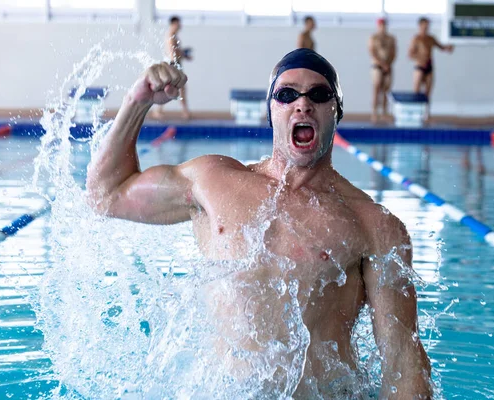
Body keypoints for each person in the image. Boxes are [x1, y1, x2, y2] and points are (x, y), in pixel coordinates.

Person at [86, 48, 431, 398]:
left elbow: (404, 364)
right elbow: (106, 195)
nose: (303, 104)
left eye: (319, 94)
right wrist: (137, 101)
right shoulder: (214, 181)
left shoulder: (374, 225)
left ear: (335, 112)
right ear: (271, 111)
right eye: (286, 94)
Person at [408, 17, 454, 120]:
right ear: (420, 26)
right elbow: (410, 54)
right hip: (419, 67)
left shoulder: (431, 38)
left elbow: (441, 47)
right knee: (416, 91)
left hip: (429, 67)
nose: (426, 28)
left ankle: (426, 114)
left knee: (428, 93)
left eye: (427, 26)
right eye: (424, 26)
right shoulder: (416, 39)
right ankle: (415, 113)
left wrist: (448, 48)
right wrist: (420, 59)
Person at [152, 15, 192, 120]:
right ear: (174, 24)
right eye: (178, 24)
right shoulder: (171, 36)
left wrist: (184, 55)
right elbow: (173, 53)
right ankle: (184, 112)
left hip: (174, 63)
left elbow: (176, 52)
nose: (180, 26)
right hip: (173, 64)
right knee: (177, 88)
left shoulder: (173, 36)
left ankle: (160, 111)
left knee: (172, 88)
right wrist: (183, 55)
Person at [368, 17, 397, 122]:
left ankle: (384, 112)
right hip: (377, 67)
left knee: (386, 90)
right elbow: (372, 52)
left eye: (384, 25)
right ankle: (374, 112)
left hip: (388, 66)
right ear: (378, 26)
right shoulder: (374, 38)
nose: (383, 27)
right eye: (381, 25)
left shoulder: (391, 38)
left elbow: (393, 52)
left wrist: (388, 64)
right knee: (376, 89)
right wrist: (382, 64)